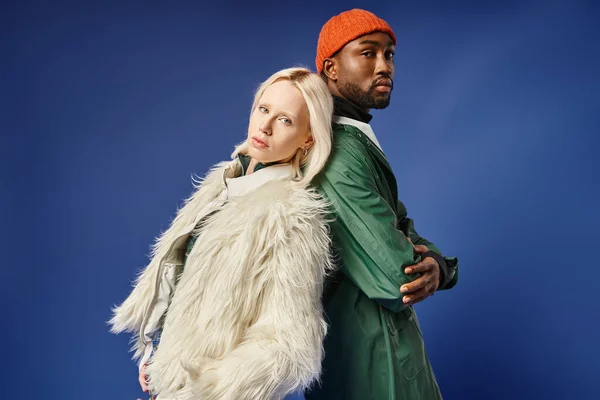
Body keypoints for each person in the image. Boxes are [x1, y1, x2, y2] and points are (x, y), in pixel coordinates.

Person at [109, 67, 335, 400]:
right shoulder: (225, 184)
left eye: (286, 120)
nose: (266, 126)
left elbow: (287, 346)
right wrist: (155, 351)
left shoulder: (291, 216)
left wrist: (206, 389)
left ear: (309, 138)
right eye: (264, 109)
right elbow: (181, 280)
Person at [305, 9, 459, 400]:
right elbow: (397, 279)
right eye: (368, 53)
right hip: (369, 362)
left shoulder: (356, 139)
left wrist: (438, 266)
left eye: (389, 55)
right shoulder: (337, 152)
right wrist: (425, 263)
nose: (383, 66)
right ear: (331, 69)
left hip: (384, 350)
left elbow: (398, 221)